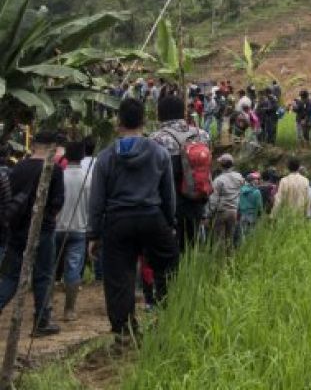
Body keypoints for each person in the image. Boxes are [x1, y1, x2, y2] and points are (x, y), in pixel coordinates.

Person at [87, 99, 178, 343]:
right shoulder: (159, 152)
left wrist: (94, 234)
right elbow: (168, 193)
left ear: (118, 123)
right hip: (152, 216)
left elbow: (97, 199)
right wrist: (169, 223)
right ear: (144, 122)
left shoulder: (105, 157)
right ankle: (167, 314)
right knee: (168, 265)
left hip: (118, 221)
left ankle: (124, 331)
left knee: (119, 277)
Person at [0, 130, 65, 336]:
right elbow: (57, 203)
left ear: (34, 145)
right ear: (51, 148)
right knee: (43, 275)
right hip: (43, 230)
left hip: (17, 231)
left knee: (11, 276)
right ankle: (42, 321)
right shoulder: (54, 170)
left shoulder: (17, 169)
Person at [148, 94, 211, 254]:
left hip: (169, 206)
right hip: (196, 201)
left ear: (159, 114)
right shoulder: (202, 135)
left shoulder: (156, 139)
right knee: (191, 249)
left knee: (169, 252)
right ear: (183, 113)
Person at [55, 141, 90, 322]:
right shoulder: (87, 177)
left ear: (66, 156)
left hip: (57, 228)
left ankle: (46, 308)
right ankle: (69, 310)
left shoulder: (59, 176)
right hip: (79, 229)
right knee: (73, 269)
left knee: (49, 268)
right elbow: (92, 205)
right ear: (83, 156)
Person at [206, 154, 243, 246]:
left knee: (219, 240)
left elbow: (213, 200)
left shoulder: (219, 180)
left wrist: (208, 214)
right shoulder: (239, 177)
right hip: (233, 211)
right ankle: (230, 259)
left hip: (221, 212)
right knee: (229, 239)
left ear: (221, 165)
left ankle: (219, 259)